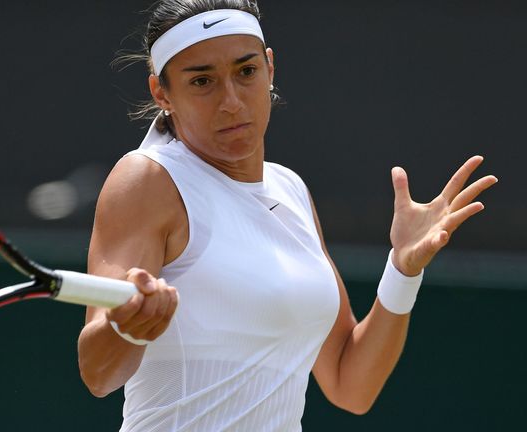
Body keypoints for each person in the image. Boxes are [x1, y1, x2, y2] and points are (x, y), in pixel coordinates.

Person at [77, 1, 497, 430]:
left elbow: (350, 383)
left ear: (269, 68)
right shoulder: (146, 179)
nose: (232, 102)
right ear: (161, 92)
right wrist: (129, 327)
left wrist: (403, 270)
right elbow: (98, 374)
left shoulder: (290, 190)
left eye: (246, 72)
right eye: (202, 81)